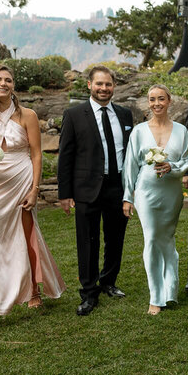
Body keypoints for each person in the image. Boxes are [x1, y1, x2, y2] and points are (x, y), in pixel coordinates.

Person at [0, 64, 65, 332]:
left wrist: (34, 189)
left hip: (21, 179)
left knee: (24, 236)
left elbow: (36, 154)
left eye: (8, 80)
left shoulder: (27, 115)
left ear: (14, 84)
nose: (3, 83)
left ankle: (32, 291)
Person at [58, 65, 133, 316]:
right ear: (89, 85)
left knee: (115, 239)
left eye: (108, 84)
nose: (104, 88)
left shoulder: (124, 114)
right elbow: (65, 156)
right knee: (88, 242)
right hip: (86, 188)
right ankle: (89, 293)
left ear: (114, 86)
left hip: (117, 186)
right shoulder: (74, 114)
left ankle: (109, 282)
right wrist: (65, 193)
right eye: (99, 84)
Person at [122, 85, 188, 315]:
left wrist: (172, 167)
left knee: (167, 239)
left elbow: (186, 161)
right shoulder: (139, 131)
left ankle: (170, 290)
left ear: (169, 101)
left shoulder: (181, 130)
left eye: (161, 99)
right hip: (145, 192)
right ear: (148, 103)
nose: (157, 103)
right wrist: (127, 197)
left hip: (171, 192)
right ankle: (155, 296)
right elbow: (130, 165)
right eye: (152, 99)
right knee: (151, 238)